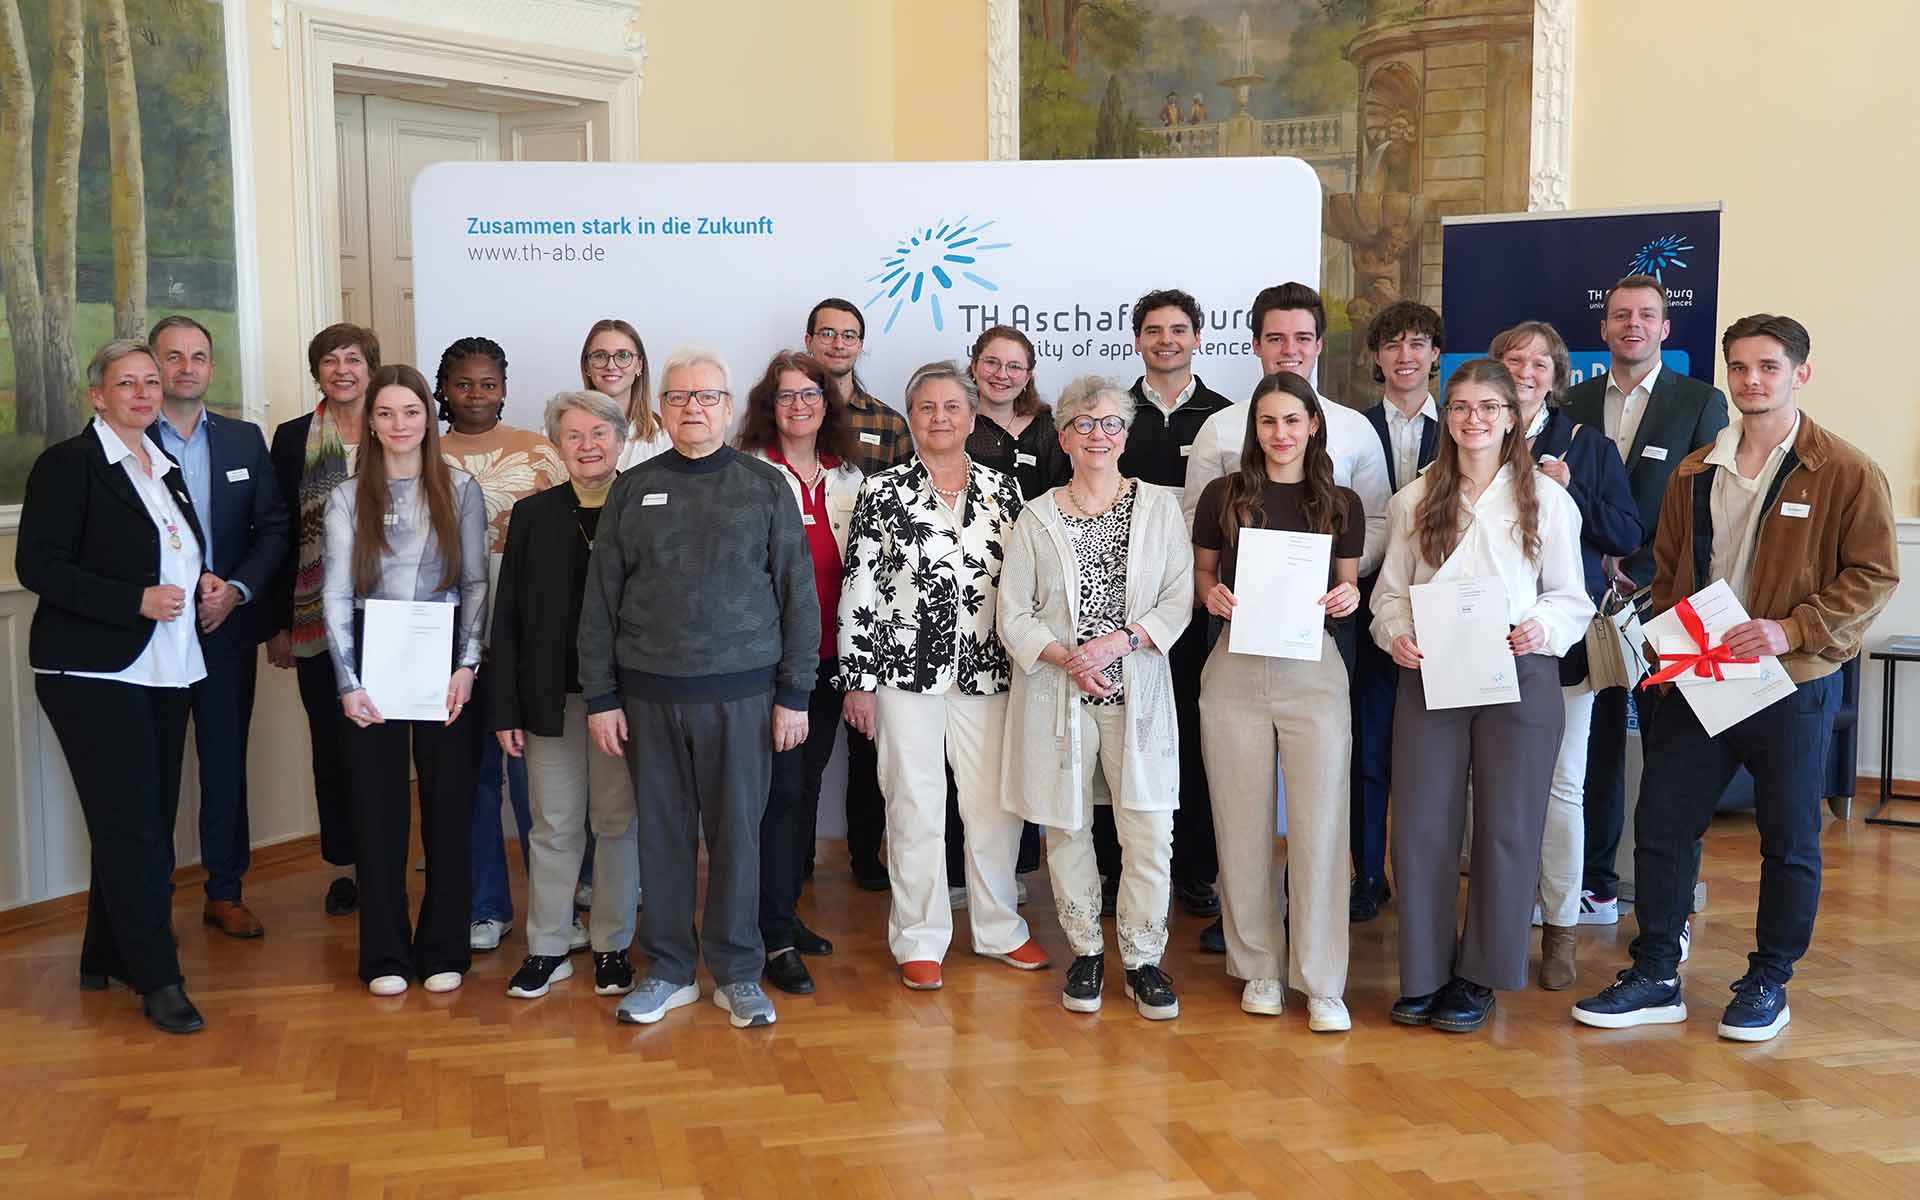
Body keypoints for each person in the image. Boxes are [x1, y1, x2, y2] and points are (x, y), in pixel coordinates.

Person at [1573, 315, 1897, 1043]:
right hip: (1699, 676)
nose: (1753, 380)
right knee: (1660, 827)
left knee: (1787, 838)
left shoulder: (1845, 470)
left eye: (1769, 367)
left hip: (1790, 680)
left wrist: (1794, 629)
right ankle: (1656, 970)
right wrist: (1666, 649)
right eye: (1741, 367)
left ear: (1800, 375)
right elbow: (1670, 568)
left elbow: (1876, 574)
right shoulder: (1696, 468)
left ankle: (1767, 980)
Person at [580, 347, 818, 1030]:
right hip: (649, 697)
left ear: (728, 404)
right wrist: (600, 696)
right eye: (681, 397)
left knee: (739, 837)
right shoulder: (633, 487)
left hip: (743, 697)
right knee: (662, 837)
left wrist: (794, 694)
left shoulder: (765, 485)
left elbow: (798, 598)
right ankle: (670, 970)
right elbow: (600, 602)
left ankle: (739, 973)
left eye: (708, 397)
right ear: (661, 409)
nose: (693, 408)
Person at [1372, 358, 1592, 1033]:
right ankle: (1425, 973)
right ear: (1448, 418)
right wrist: (1397, 637)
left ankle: (1479, 976)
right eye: (1462, 407)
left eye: (1488, 407)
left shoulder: (1548, 501)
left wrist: (1540, 627)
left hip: (1518, 674)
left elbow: (1570, 598)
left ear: (1512, 416)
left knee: (1507, 826)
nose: (1474, 419)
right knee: (1421, 826)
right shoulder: (1414, 499)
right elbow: (1388, 598)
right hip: (1432, 673)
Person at [1180, 283, 1392, 931]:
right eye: (1276, 337)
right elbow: (1199, 524)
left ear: (1319, 346)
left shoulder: (1354, 427)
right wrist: (1211, 591)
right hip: (1237, 631)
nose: (1289, 349)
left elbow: (1374, 518)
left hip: (1322, 629)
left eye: (1302, 338)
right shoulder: (1220, 428)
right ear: (1255, 344)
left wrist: (1339, 586)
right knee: (1239, 785)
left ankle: (1312, 910)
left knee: (1320, 785)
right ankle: (1241, 913)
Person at [17, 340, 213, 1034]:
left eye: (151, 381)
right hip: (92, 671)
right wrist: (131, 600)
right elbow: (38, 564)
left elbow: (176, 553)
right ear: (97, 396)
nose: (143, 392)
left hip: (165, 665)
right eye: (125, 382)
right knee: (135, 828)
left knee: (143, 821)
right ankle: (157, 978)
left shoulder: (162, 467)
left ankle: (104, 953)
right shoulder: (68, 466)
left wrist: (204, 581)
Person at [840, 361, 1047, 991]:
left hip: (990, 672)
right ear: (912, 418)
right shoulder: (882, 492)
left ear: (972, 416)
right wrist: (858, 679)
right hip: (905, 673)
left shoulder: (1005, 492)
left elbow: (1025, 587)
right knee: (914, 803)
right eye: (926, 408)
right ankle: (919, 937)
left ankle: (999, 927)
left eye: (951, 407)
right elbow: (860, 589)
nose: (939, 419)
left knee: (992, 808)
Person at [998, 376, 1192, 1019]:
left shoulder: (1161, 508)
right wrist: (1070, 659)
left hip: (1137, 687)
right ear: (1064, 436)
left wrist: (1119, 643)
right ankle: (1085, 950)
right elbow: (1014, 615)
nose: (1098, 435)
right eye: (1084, 423)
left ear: (1126, 434)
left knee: (1149, 828)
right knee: (1068, 825)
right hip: (1059, 693)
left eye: (1110, 423)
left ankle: (1142, 959)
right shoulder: (1036, 515)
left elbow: (1177, 601)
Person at [1193, 372, 1364, 1030]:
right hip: (1235, 667)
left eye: (1293, 420)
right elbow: (1204, 575)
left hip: (1314, 672)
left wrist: (1347, 600)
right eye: (1268, 422)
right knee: (1241, 825)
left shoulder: (1339, 502)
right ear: (1254, 428)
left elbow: (1346, 591)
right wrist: (1210, 595)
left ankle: (1322, 980)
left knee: (1322, 827)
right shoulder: (1224, 495)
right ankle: (1259, 968)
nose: (1280, 433)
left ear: (1314, 424)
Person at [1564, 275, 1729, 925]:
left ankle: (1671, 907)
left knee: (1674, 753)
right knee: (1597, 747)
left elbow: (1708, 506)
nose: (1632, 324)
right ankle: (1598, 884)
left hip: (1670, 602)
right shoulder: (1571, 403)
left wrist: (1655, 571)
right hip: (1589, 601)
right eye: (1619, 315)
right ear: (1603, 330)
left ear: (1666, 328)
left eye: (1647, 315)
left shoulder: (1700, 401)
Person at [324, 364, 489, 996]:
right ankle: (385, 954)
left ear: (429, 417)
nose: (400, 425)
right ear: (370, 420)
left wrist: (468, 665)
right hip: (370, 655)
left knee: (448, 807)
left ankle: (444, 945)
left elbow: (475, 581)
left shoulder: (460, 488)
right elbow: (336, 593)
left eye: (411, 412)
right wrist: (348, 681)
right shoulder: (345, 495)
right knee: (378, 811)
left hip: (445, 654)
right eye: (387, 413)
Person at [1491, 321, 1642, 990]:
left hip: (1563, 649)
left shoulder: (1587, 444)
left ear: (1558, 377)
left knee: (1561, 789)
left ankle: (1560, 931)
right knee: (1490, 790)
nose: (1526, 371)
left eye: (1539, 363)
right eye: (1514, 361)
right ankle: (1500, 915)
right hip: (1481, 648)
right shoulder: (1468, 434)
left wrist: (1567, 487)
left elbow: (1626, 534)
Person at [489, 389, 643, 1000]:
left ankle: (611, 945)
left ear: (619, 439)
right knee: (553, 825)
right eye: (574, 436)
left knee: (616, 822)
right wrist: (505, 706)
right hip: (548, 697)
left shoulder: (644, 505)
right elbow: (509, 618)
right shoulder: (533, 515)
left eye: (599, 434)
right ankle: (548, 947)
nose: (587, 446)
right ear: (557, 444)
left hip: (624, 701)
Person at [146, 315, 290, 939]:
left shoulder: (242, 440)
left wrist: (233, 589)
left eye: (198, 356)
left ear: (211, 367)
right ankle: (146, 896)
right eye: (173, 356)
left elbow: (274, 528)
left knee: (225, 764)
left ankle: (225, 890)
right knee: (149, 769)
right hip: (150, 634)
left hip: (224, 628)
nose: (187, 367)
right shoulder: (126, 438)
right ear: (153, 367)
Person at [432, 336, 569, 954]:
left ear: (506, 387)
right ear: (445, 389)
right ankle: (487, 904)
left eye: (489, 384)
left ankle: (555, 907)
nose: (477, 395)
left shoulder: (540, 453)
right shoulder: (423, 453)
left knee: (540, 784)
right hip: (447, 637)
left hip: (526, 637)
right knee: (473, 781)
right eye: (464, 384)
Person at [736, 350, 861, 996]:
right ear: (768, 405)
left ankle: (781, 913)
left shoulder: (850, 478)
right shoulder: (750, 474)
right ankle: (770, 933)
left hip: (832, 660)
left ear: (826, 402)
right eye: (786, 396)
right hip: (772, 667)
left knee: (806, 790)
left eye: (810, 394)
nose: (799, 405)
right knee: (778, 795)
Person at [1117, 288, 1236, 947]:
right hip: (1117, 609)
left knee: (1190, 733)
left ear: (1198, 338)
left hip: (1195, 603)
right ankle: (1113, 869)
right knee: (1114, 725)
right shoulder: (1113, 413)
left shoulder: (1222, 418)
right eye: (1154, 330)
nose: (1166, 339)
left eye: (1179, 329)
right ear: (1137, 340)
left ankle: (1194, 870)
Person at [269, 322, 380, 918]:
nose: (342, 369)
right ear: (317, 371)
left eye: (354, 359)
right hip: (314, 619)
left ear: (371, 368)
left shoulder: (398, 424)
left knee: (382, 743)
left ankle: (384, 861)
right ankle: (347, 867)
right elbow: (277, 531)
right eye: (330, 360)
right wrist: (278, 623)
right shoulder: (290, 439)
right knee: (332, 743)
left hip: (390, 615)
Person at [805, 297, 909, 893]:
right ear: (811, 339)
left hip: (875, 605)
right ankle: (796, 861)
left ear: (861, 345)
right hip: (811, 602)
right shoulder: (789, 409)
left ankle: (868, 858)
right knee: (805, 746)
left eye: (850, 335)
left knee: (870, 745)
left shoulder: (890, 423)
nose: (839, 344)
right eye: (829, 334)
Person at [1350, 300, 1445, 922]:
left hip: (1452, 617)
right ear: (1377, 358)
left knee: (1436, 758)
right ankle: (1366, 875)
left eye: (1417, 344)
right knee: (1368, 750)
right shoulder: (1351, 429)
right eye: (1392, 346)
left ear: (1436, 354)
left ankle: (1425, 878)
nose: (1405, 357)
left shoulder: (1468, 423)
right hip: (1369, 611)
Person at [962, 325, 1064, 897]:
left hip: (1034, 596)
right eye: (992, 363)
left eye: (1015, 366)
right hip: (968, 590)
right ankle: (961, 865)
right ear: (974, 364)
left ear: (1029, 374)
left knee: (1021, 723)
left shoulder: (1050, 429)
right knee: (973, 730)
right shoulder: (956, 419)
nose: (1002, 374)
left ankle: (1020, 862)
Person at [578, 318, 669, 472]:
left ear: (639, 365)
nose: (611, 365)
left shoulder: (664, 437)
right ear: (587, 366)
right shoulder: (559, 431)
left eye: (623, 355)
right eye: (600, 356)